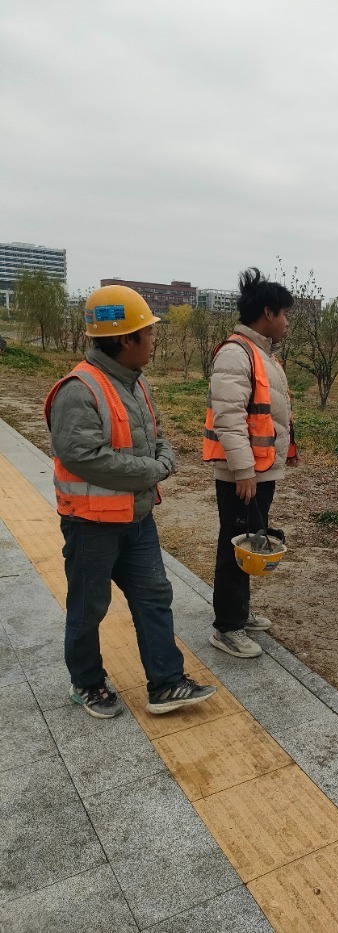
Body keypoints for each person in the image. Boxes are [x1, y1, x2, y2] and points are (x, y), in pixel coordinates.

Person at [44, 284, 216, 719]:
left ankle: (166, 682)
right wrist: (153, 470)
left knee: (154, 597)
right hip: (92, 525)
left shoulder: (135, 382)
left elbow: (156, 436)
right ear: (125, 339)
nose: (154, 340)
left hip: (136, 520)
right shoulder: (79, 389)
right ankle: (86, 682)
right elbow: (82, 456)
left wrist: (163, 458)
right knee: (89, 608)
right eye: (149, 332)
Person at [203, 267, 297, 658]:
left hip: (258, 470)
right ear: (267, 313)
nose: (287, 321)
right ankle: (227, 627)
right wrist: (243, 471)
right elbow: (229, 417)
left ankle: (238, 610)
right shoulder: (235, 353)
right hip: (243, 474)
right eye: (284, 313)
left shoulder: (260, 354)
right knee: (236, 544)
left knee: (250, 541)